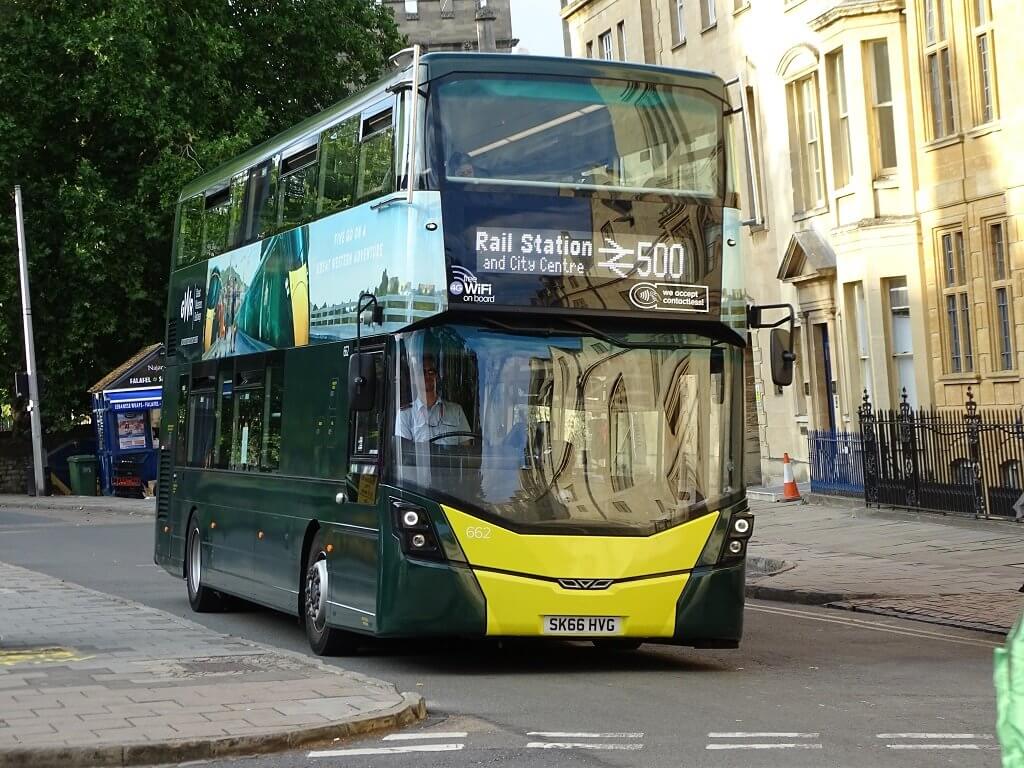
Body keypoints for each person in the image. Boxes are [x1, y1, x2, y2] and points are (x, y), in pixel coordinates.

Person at [396, 354, 472, 445]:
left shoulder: (456, 411)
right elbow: (404, 452)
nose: (427, 376)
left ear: (437, 376)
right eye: (422, 372)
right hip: (420, 460)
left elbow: (466, 448)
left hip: (451, 460)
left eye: (431, 372)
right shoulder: (405, 414)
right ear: (414, 379)